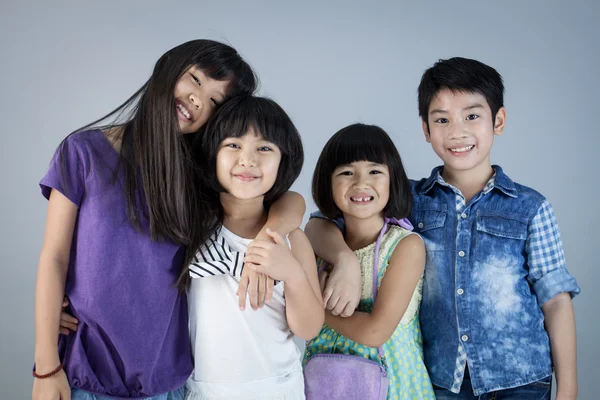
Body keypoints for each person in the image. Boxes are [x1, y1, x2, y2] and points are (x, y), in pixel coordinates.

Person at [34, 39, 305, 400]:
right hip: (85, 374)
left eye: (214, 101)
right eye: (194, 78)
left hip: (168, 383)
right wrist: (46, 365)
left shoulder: (199, 176)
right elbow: (55, 257)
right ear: (167, 68)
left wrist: (267, 241)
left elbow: (290, 199)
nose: (197, 98)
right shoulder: (83, 152)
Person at [306, 57, 580, 399]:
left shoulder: (530, 207)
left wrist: (568, 389)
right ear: (425, 129)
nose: (457, 131)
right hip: (441, 380)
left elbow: (555, 301)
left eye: (472, 116)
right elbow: (322, 221)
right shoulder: (409, 199)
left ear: (499, 120)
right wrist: (344, 260)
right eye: (441, 120)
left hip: (520, 379)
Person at [184, 95, 323, 400]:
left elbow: (309, 328)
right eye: (233, 145)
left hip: (277, 389)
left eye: (264, 148)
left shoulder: (291, 238)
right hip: (205, 391)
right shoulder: (192, 226)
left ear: (282, 161)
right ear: (212, 154)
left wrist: (293, 274)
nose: (248, 159)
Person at [303, 123, 434, 399]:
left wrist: (317, 310)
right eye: (346, 172)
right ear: (328, 182)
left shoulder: (404, 246)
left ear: (393, 180)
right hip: (326, 388)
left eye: (375, 171)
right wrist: (343, 259)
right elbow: (312, 226)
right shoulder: (321, 243)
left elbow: (376, 331)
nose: (361, 183)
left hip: (393, 389)